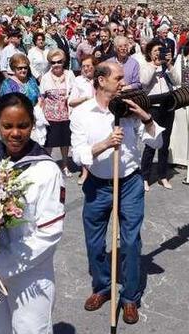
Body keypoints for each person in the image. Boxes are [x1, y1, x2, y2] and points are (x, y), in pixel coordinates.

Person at [70, 61, 162, 325]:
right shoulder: (82, 113)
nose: (124, 82)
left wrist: (146, 118)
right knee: (95, 241)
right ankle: (101, 287)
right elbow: (78, 155)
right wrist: (105, 144)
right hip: (98, 184)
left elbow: (156, 142)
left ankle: (130, 297)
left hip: (130, 182)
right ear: (101, 80)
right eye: (119, 78)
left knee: (131, 242)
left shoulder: (130, 108)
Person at [0, 93, 66, 334]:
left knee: (30, 329)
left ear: (32, 124)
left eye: (23, 125)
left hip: (30, 274)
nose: (15, 133)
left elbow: (49, 232)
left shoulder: (46, 170)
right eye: (8, 126)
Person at [138, 38, 180, 191]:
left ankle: (163, 175)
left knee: (165, 143)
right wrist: (154, 66)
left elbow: (177, 81)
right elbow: (143, 82)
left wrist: (168, 65)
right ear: (150, 53)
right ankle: (144, 177)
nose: (158, 53)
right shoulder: (146, 66)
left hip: (168, 107)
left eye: (160, 50)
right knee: (151, 143)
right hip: (154, 108)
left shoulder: (166, 67)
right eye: (155, 51)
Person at [39, 48, 75, 177]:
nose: (56, 65)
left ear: (63, 62)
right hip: (50, 115)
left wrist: (69, 96)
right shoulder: (45, 77)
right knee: (49, 143)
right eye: (53, 62)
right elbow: (42, 97)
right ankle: (47, 167)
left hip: (66, 114)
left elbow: (75, 92)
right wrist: (38, 115)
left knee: (65, 142)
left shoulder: (70, 74)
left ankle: (65, 165)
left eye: (59, 62)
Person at [69, 56, 97, 185]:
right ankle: (85, 172)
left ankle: (97, 171)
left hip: (97, 115)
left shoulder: (99, 80)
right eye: (83, 66)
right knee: (84, 144)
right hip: (82, 117)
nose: (86, 69)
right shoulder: (78, 81)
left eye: (89, 66)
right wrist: (85, 99)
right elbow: (71, 102)